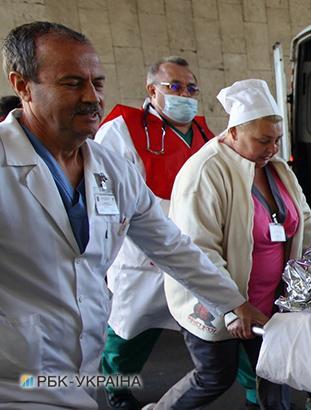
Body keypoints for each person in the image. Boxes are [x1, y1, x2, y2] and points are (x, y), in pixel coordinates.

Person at [0, 21, 266, 409]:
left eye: (98, 83)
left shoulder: (109, 167)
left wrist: (233, 301)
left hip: (78, 365)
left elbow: (171, 245)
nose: (92, 97)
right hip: (15, 379)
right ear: (23, 85)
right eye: (72, 83)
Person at [152, 79, 311, 409]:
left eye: (276, 140)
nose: (272, 148)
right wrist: (232, 304)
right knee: (215, 376)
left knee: (275, 371)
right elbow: (197, 249)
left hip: (270, 301)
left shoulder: (276, 169)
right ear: (232, 133)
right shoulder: (205, 171)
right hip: (216, 300)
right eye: (262, 140)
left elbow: (306, 221)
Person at [94, 56, 214, 409]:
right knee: (131, 328)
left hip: (193, 249)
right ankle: (117, 388)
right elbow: (109, 194)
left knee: (218, 325)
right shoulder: (120, 130)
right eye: (174, 87)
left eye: (191, 88)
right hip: (141, 252)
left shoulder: (207, 134)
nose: (185, 94)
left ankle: (253, 392)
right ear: (151, 90)